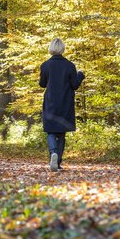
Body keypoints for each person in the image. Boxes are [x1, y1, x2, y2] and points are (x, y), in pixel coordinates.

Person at [39, 38, 85, 171]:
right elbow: (74, 85)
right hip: (65, 102)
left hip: (51, 102)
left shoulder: (45, 65)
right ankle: (57, 162)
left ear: (51, 48)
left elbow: (42, 84)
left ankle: (53, 152)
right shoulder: (70, 65)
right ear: (62, 48)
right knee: (61, 132)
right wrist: (80, 75)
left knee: (50, 131)